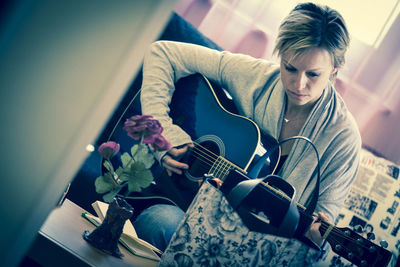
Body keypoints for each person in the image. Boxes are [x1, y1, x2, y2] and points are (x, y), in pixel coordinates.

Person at [133, 2, 361, 264]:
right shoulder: (256, 76)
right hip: (189, 209)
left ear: (334, 70)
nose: (299, 84)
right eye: (290, 68)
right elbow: (163, 52)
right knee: (158, 222)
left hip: (259, 249)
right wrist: (162, 135)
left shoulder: (344, 138)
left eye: (313, 74)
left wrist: (317, 235)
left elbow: (322, 223)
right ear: (280, 55)